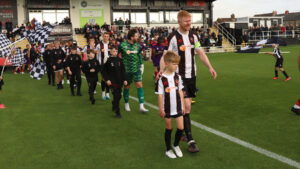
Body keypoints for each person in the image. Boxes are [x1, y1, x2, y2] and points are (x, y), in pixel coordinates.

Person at [159, 10, 217, 153]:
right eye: (186, 21)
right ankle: (191, 140)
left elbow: (200, 53)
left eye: (190, 21)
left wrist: (210, 67)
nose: (189, 24)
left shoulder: (194, 35)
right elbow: (165, 56)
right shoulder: (173, 37)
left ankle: (183, 131)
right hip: (179, 76)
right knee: (185, 105)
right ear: (179, 21)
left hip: (192, 76)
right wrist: (161, 71)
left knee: (187, 108)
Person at [157, 51, 185, 158]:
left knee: (181, 128)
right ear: (166, 64)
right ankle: (168, 149)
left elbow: (180, 92)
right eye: (174, 64)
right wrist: (161, 109)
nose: (176, 66)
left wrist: (182, 106)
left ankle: (176, 145)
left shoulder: (178, 77)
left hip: (178, 106)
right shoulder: (161, 79)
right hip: (167, 108)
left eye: (177, 64)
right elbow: (160, 95)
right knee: (169, 129)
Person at [118, 29, 149, 113]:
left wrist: (141, 65)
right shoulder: (122, 45)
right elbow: (118, 55)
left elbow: (139, 55)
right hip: (126, 70)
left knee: (139, 84)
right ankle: (126, 103)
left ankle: (141, 106)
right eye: (136, 36)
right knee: (127, 86)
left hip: (136, 69)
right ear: (131, 37)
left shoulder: (138, 45)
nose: (137, 37)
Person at [102, 46, 127, 118]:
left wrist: (125, 79)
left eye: (116, 51)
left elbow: (123, 71)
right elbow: (104, 71)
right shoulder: (108, 60)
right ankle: (117, 112)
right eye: (113, 51)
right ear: (111, 52)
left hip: (119, 81)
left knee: (119, 96)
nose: (115, 52)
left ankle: (114, 104)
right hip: (112, 82)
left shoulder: (120, 60)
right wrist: (107, 80)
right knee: (116, 96)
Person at [97, 32, 112, 100]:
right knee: (103, 78)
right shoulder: (99, 45)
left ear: (109, 37)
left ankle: (107, 94)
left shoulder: (111, 44)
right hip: (102, 64)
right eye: (105, 36)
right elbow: (96, 53)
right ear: (102, 37)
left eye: (107, 36)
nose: (106, 37)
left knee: (108, 78)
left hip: (109, 64)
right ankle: (103, 94)